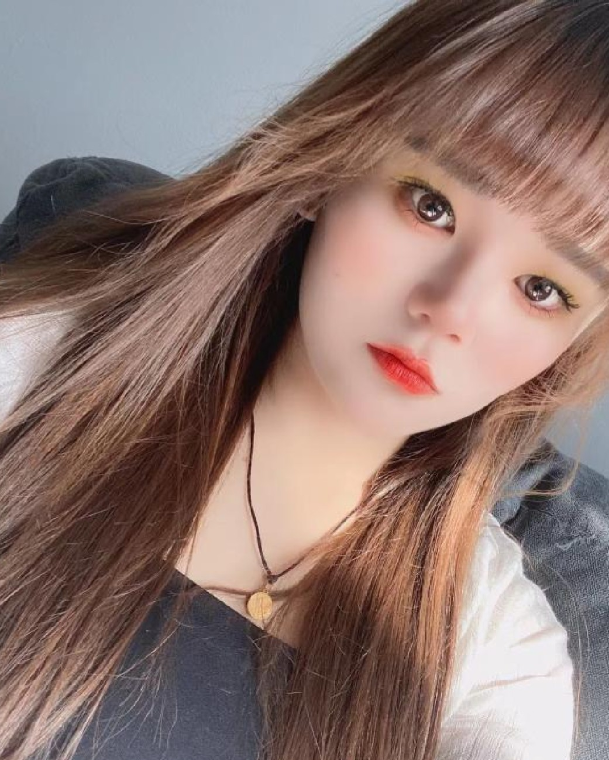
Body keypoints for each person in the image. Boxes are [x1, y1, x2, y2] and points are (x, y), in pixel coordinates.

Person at [1, 1, 609, 758]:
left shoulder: (498, 661)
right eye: (431, 207)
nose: (448, 310)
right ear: (332, 165)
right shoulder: (42, 369)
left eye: (541, 290)